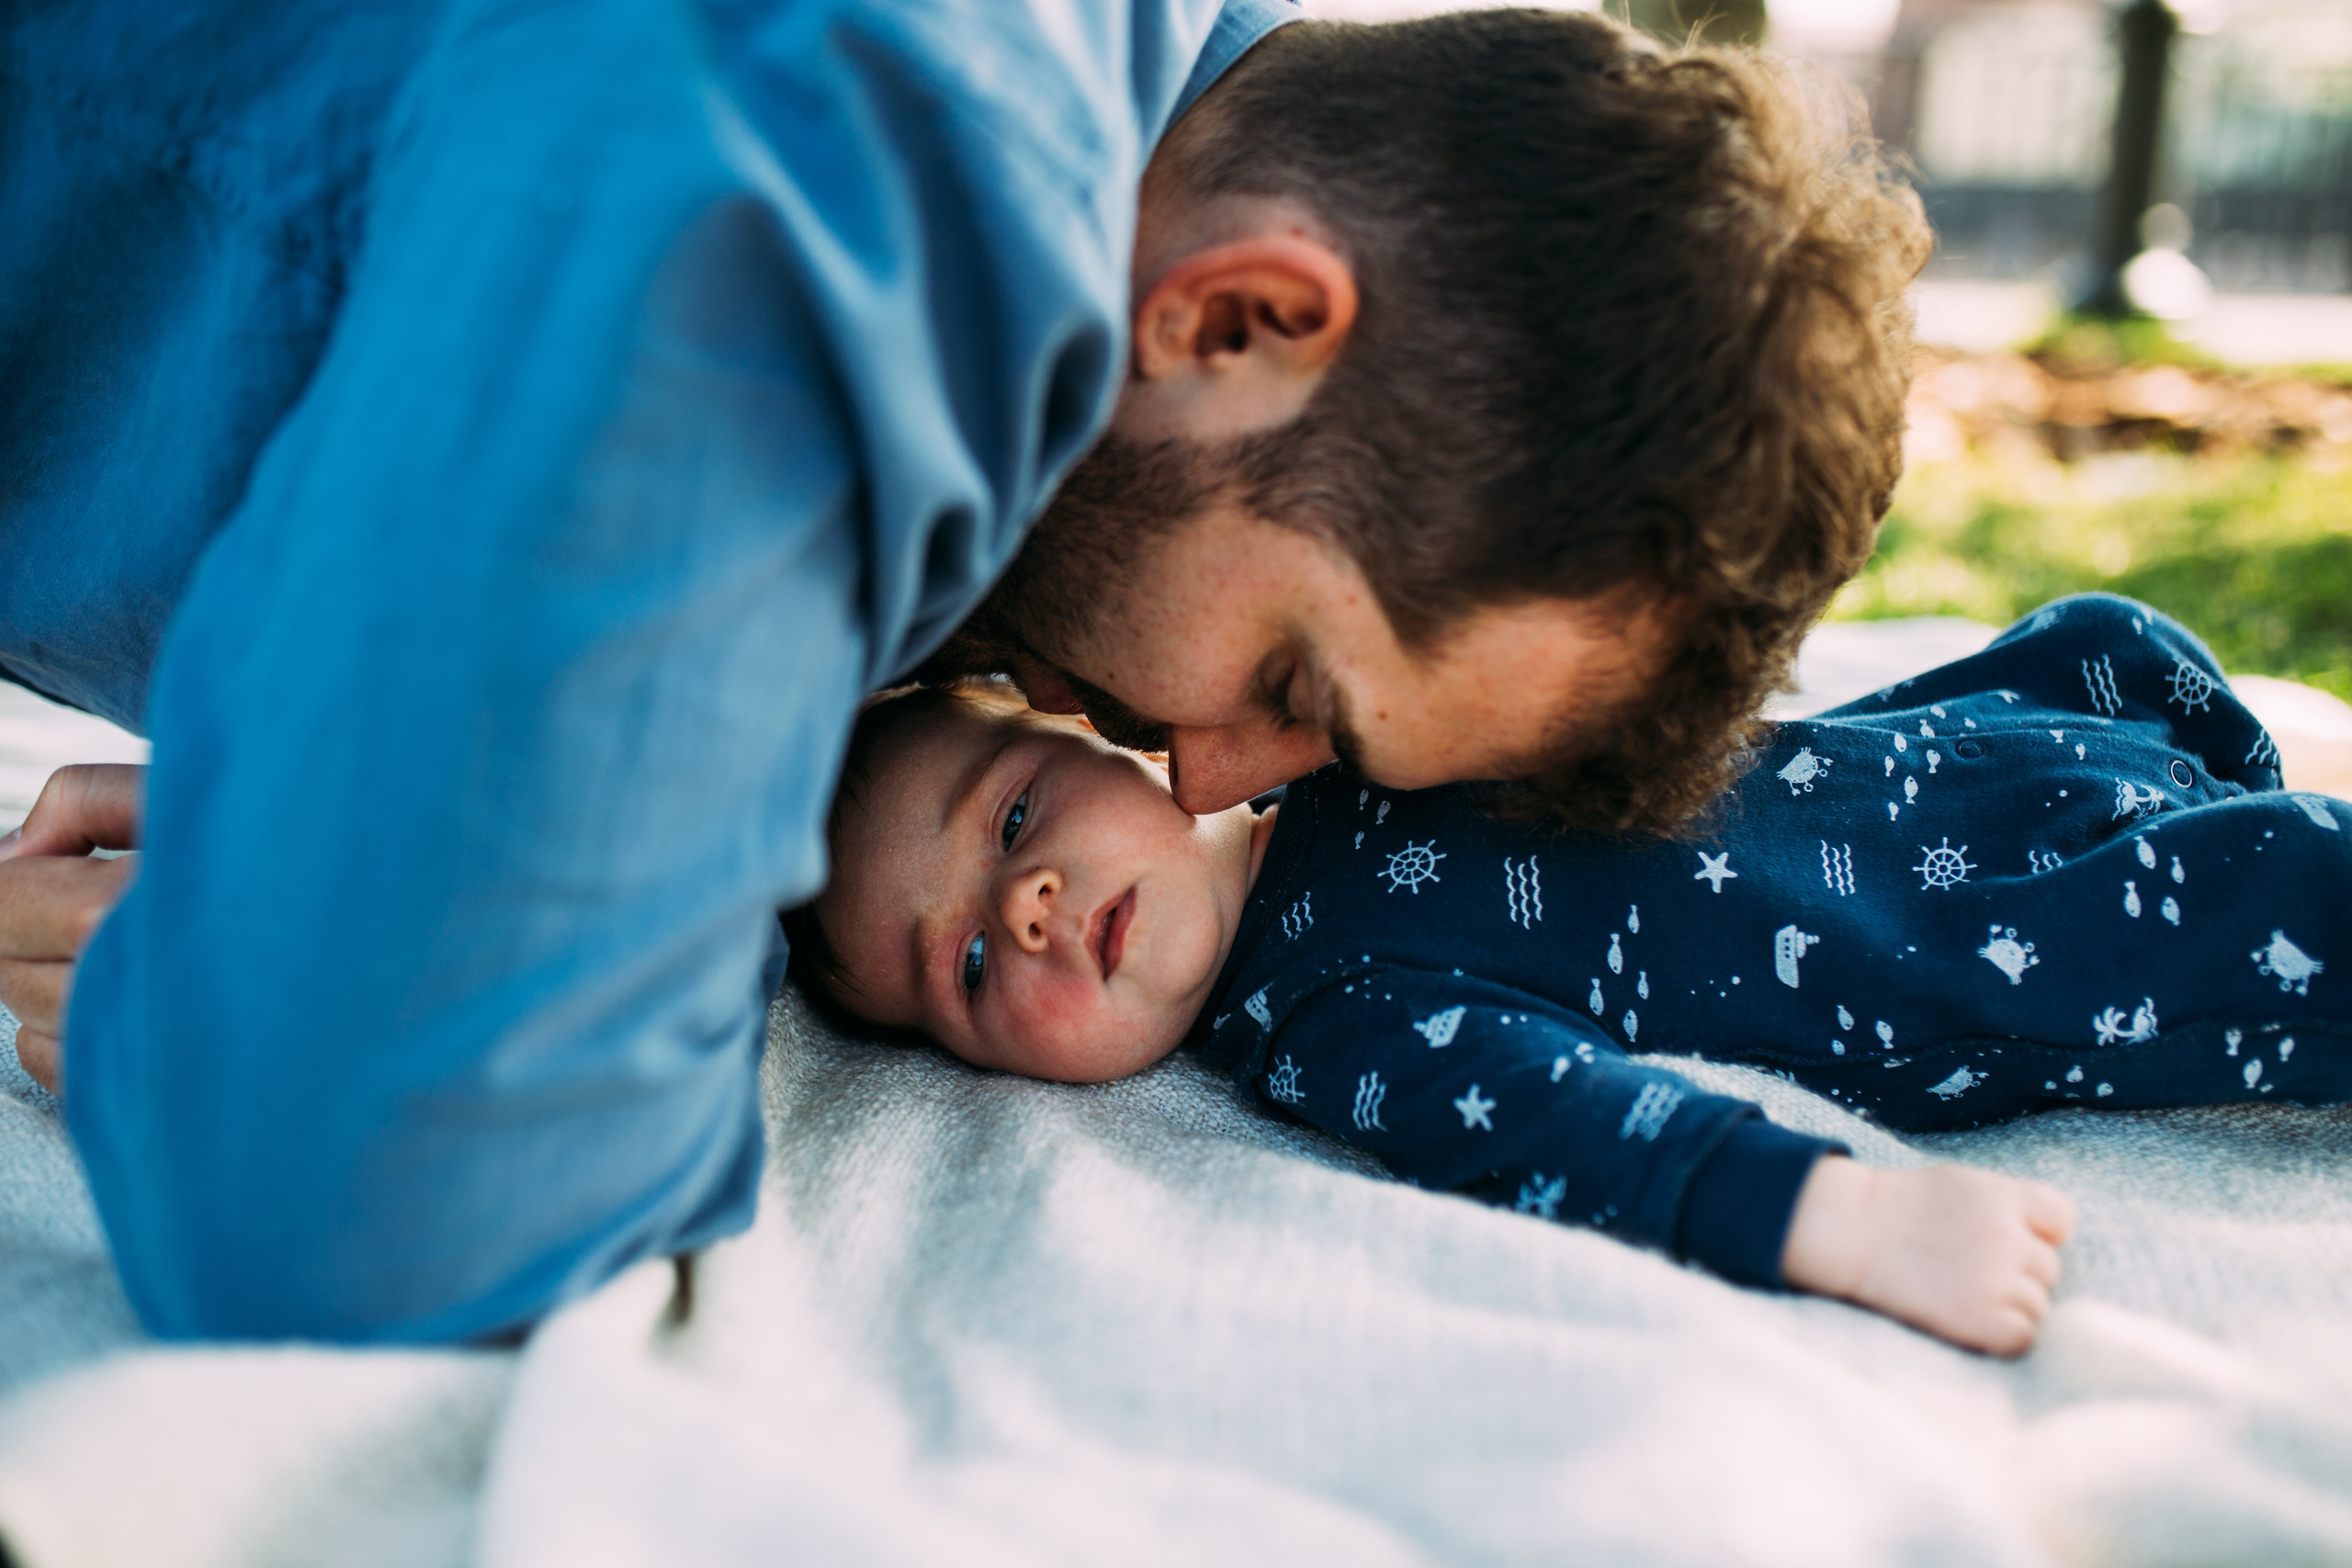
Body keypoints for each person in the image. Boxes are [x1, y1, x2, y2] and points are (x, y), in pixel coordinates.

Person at [0, 6, 1925, 1341]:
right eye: (1291, 684)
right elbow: (391, 1193)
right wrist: (296, 963)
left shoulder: (1101, 114)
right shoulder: (866, 208)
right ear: (1241, 317)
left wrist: (404, 784)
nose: (1203, 769)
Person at [789, 594, 2349, 1357]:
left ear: (1098, 734)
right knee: (2279, 904)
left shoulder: (1317, 741)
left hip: (1927, 757)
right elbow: (1557, 1128)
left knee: (2110, 645)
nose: (1040, 906)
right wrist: (1842, 1217)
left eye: (1012, 820)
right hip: (1961, 943)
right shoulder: (1329, 1013)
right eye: (976, 963)